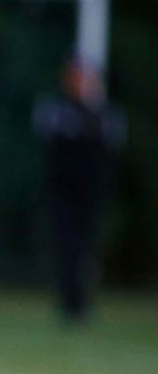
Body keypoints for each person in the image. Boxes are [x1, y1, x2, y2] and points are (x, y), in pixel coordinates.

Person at [33, 55, 126, 323]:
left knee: (87, 248)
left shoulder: (105, 112)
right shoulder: (55, 108)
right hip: (62, 192)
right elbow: (53, 136)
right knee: (66, 246)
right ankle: (68, 303)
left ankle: (83, 303)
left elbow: (111, 141)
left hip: (92, 192)